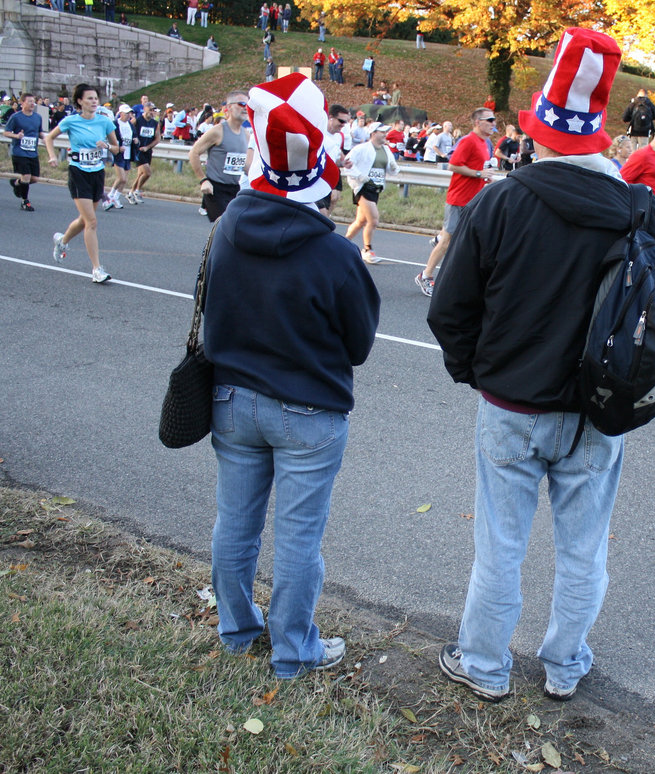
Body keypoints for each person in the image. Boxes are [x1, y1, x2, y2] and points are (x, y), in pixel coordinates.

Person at [427, 27, 655, 704]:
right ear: (599, 134)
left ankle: (484, 665)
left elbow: (448, 312)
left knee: (500, 547)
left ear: (538, 128)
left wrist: (480, 373)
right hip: (599, 410)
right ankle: (566, 665)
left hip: (511, 405)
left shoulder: (502, 201)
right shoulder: (641, 211)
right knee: (584, 549)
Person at [203, 72, 379, 681]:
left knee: (236, 522)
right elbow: (358, 344)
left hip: (231, 398)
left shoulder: (226, 229)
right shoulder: (335, 254)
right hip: (308, 410)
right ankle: (293, 650)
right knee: (298, 538)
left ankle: (235, 629)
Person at [413, 107, 498, 296]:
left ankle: (440, 239)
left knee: (468, 239)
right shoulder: (468, 141)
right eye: (489, 120)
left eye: (494, 121)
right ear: (477, 122)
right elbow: (453, 165)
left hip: (472, 199)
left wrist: (485, 178)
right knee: (448, 241)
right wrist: (478, 174)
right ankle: (425, 275)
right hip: (458, 198)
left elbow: (477, 167)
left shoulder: (485, 143)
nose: (493, 124)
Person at [43, 83, 120, 284]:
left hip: (97, 173)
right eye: (89, 99)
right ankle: (97, 269)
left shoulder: (104, 122)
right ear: (80, 101)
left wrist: (108, 146)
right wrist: (52, 157)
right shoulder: (71, 121)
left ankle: (62, 240)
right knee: (92, 222)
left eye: (96, 98)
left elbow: (117, 149)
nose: (94, 102)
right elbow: (49, 138)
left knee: (85, 220)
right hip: (78, 172)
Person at [189, 90, 250, 222]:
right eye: (241, 104)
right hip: (216, 189)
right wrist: (203, 180)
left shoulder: (246, 134)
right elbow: (194, 152)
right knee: (225, 225)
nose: (245, 107)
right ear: (228, 108)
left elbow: (245, 165)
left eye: (247, 104)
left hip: (236, 189)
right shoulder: (217, 131)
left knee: (237, 229)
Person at [344, 121, 400, 264]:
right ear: (373, 133)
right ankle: (367, 250)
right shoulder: (361, 148)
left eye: (386, 132)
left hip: (377, 189)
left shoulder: (386, 150)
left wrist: (394, 167)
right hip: (364, 188)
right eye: (382, 132)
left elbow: (391, 170)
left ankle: (343, 243)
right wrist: (359, 176)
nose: (385, 135)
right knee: (373, 220)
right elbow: (347, 163)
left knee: (360, 221)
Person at [3, 92, 44, 212]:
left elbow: (39, 132)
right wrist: (16, 136)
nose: (33, 104)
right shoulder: (16, 117)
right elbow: (6, 132)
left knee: (35, 178)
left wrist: (46, 139)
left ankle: (16, 183)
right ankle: (25, 202)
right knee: (26, 176)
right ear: (22, 103)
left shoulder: (37, 117)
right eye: (29, 101)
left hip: (33, 152)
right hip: (19, 151)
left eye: (33, 102)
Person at [127, 100, 160, 203]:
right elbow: (128, 131)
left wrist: (148, 147)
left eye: (153, 110)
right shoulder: (137, 120)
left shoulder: (155, 123)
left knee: (141, 174)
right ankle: (137, 190)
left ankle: (131, 192)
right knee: (147, 172)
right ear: (145, 109)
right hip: (138, 150)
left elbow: (157, 138)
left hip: (147, 151)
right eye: (150, 110)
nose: (152, 112)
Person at [103, 103, 135, 210]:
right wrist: (118, 147)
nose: (128, 115)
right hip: (118, 154)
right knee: (121, 177)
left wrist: (136, 140)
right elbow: (110, 138)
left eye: (129, 113)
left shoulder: (130, 125)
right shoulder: (115, 124)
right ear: (120, 113)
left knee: (124, 180)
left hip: (128, 154)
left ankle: (116, 197)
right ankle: (111, 195)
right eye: (126, 113)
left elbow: (134, 135)